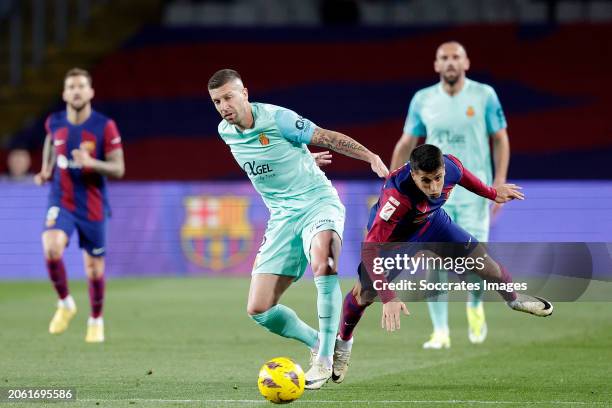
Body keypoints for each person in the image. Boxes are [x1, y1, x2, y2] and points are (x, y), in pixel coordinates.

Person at [207, 68, 388, 389]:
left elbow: (328, 137)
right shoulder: (225, 131)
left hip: (319, 203)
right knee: (259, 309)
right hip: (282, 218)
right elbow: (274, 155)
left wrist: (370, 156)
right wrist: (302, 160)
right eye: (217, 101)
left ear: (244, 93)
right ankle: (320, 341)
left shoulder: (278, 118)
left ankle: (327, 359)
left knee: (325, 265)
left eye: (228, 97)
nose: (223, 106)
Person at [331, 144, 552, 383]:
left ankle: (514, 299)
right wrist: (388, 296)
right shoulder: (395, 198)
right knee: (363, 295)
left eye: (438, 178)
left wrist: (491, 193)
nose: (434, 187)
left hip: (433, 224)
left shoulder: (451, 166)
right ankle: (343, 342)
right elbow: (370, 249)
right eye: (426, 181)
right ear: (414, 174)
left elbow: (464, 176)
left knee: (486, 265)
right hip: (395, 242)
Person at [390, 41, 510, 348]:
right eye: (444, 58)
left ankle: (474, 304)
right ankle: (440, 331)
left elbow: (500, 139)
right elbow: (407, 142)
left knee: (475, 261)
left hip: (473, 191)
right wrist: (392, 183)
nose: (450, 62)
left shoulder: (484, 95)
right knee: (434, 260)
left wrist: (497, 182)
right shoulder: (423, 99)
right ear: (436, 65)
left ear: (466, 62)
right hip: (431, 194)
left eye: (456, 57)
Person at [34, 68, 125, 343]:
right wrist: (46, 168)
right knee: (51, 247)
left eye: (81, 86)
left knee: (94, 269)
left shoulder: (104, 126)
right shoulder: (55, 121)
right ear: (64, 93)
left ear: (90, 92)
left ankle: (95, 319)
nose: (76, 91)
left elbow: (119, 168)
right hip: (61, 200)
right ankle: (65, 303)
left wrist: (92, 163)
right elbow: (51, 140)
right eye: (71, 86)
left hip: (93, 205)